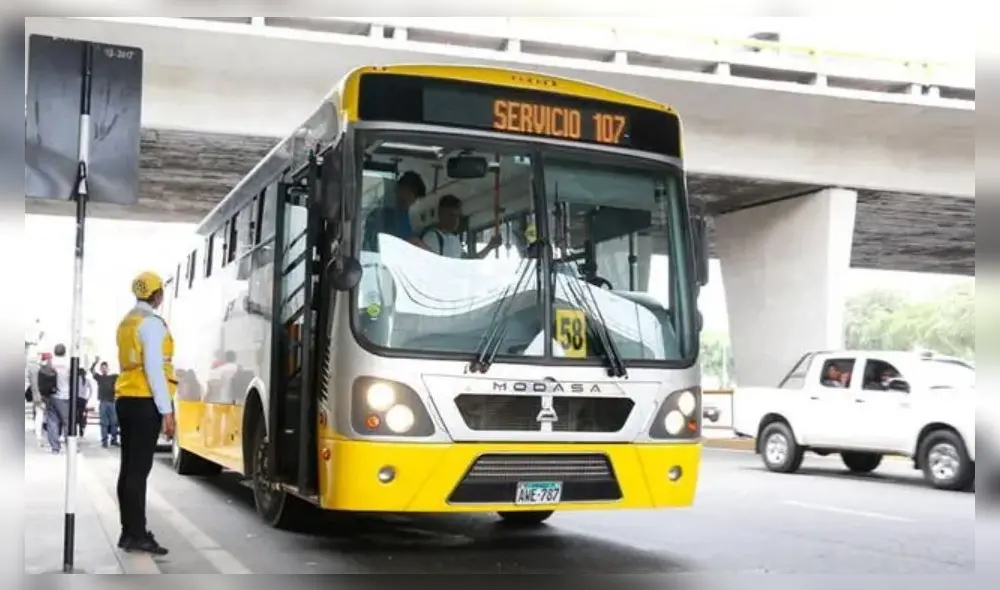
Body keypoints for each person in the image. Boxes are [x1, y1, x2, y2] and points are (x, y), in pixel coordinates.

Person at [114, 271, 177, 555]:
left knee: (128, 469)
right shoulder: (151, 324)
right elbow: (154, 368)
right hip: (144, 401)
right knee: (138, 472)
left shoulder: (127, 321)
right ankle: (137, 534)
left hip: (126, 398)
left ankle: (129, 532)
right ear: (157, 295)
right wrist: (167, 411)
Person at [420, 194, 502, 259]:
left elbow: (469, 263)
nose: (455, 220)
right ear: (441, 214)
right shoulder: (431, 238)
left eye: (458, 216)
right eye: (452, 215)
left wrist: (489, 247)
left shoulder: (454, 240)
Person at [363, 171, 429, 250]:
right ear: (397, 189)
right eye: (407, 191)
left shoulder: (411, 219)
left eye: (414, 194)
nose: (409, 197)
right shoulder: (380, 215)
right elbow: (372, 243)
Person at [43, 344, 72, 454]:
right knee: (67, 422)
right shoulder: (68, 363)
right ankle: (70, 446)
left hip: (51, 396)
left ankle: (55, 447)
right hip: (65, 396)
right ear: (64, 352)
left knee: (52, 421)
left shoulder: (50, 363)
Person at [91, 358, 120, 448]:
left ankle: (114, 439)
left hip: (112, 402)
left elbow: (122, 376)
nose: (104, 369)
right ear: (100, 369)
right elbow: (91, 370)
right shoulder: (99, 378)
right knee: (104, 422)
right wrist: (95, 362)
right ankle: (104, 440)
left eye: (105, 367)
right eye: (102, 368)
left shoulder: (113, 377)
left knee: (114, 422)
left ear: (108, 368)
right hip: (103, 402)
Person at [76, 367, 92, 438]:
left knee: (75, 414)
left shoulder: (76, 379)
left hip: (76, 399)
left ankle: (74, 429)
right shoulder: (87, 380)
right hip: (83, 399)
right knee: (81, 415)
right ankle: (81, 430)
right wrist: (88, 398)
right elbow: (91, 390)